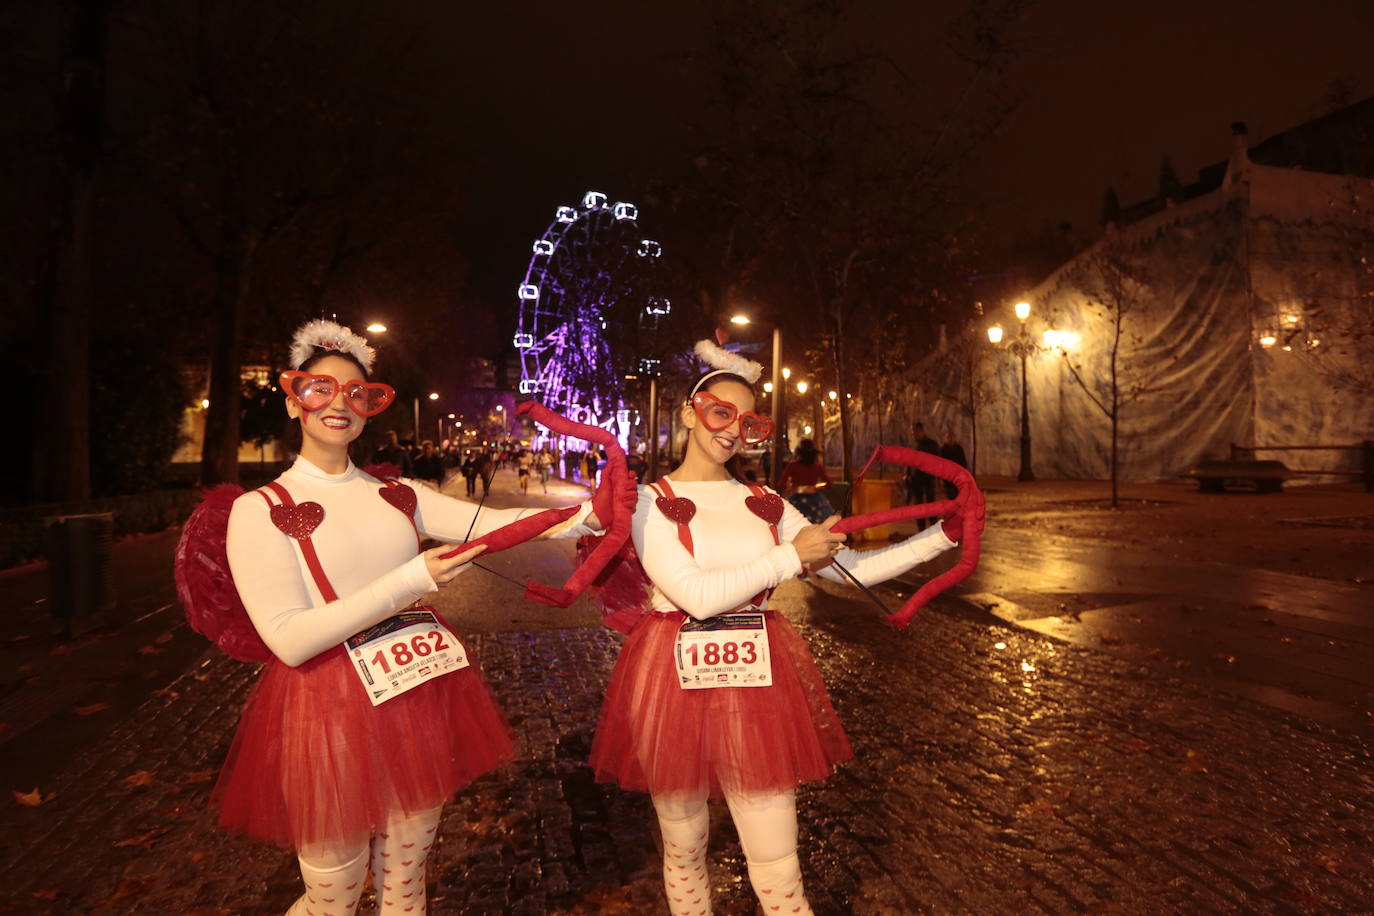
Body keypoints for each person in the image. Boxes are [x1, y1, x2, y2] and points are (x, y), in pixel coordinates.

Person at [214, 320, 599, 916]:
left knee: (407, 880)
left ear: (371, 408)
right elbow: (289, 639)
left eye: (358, 393)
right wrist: (414, 579)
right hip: (327, 710)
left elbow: (495, 526)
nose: (339, 403)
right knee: (331, 897)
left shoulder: (400, 494)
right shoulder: (259, 510)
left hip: (413, 696)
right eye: (320, 389)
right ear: (293, 401)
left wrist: (597, 514)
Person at [589, 339, 963, 916]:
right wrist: (791, 557)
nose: (733, 431)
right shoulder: (646, 503)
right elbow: (696, 595)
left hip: (755, 681)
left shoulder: (766, 502)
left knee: (777, 860)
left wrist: (942, 537)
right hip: (672, 681)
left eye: (750, 422)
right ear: (690, 413)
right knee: (685, 845)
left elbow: (849, 570)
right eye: (720, 413)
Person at [778, 438, 832, 523]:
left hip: (796, 500)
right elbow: (829, 484)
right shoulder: (817, 467)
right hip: (816, 501)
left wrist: (792, 487)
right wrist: (816, 487)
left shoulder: (792, 466)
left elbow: (781, 485)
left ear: (799, 452)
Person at [906, 421, 939, 529]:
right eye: (911, 431)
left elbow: (938, 461)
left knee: (931, 504)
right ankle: (921, 530)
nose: (912, 433)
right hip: (916, 480)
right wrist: (907, 474)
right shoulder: (913, 444)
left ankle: (933, 529)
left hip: (928, 478)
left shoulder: (932, 444)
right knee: (918, 505)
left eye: (914, 431)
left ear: (920, 431)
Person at [939, 430, 968, 500]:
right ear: (945, 439)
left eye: (952, 437)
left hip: (958, 477)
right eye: (948, 437)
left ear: (955, 438)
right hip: (947, 479)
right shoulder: (942, 450)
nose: (950, 439)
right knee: (950, 496)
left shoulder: (959, 449)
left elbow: (963, 462)